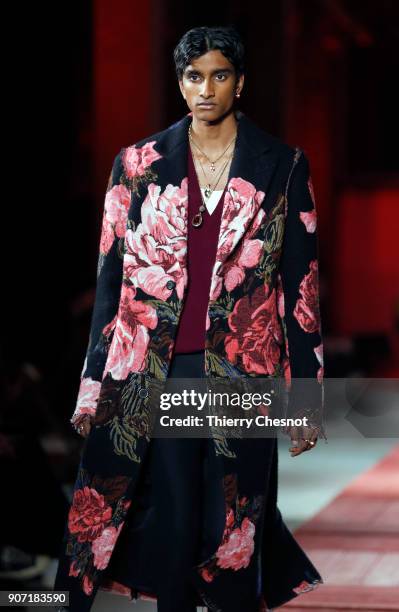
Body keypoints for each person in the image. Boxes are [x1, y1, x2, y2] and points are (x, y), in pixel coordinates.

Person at [54, 25, 326, 612]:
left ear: (240, 82)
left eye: (219, 75)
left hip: (240, 373)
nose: (206, 88)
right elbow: (111, 283)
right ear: (180, 83)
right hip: (155, 372)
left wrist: (306, 400)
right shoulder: (137, 164)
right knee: (172, 520)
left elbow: (299, 288)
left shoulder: (281, 165)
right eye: (193, 76)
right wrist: (92, 386)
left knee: (233, 522)